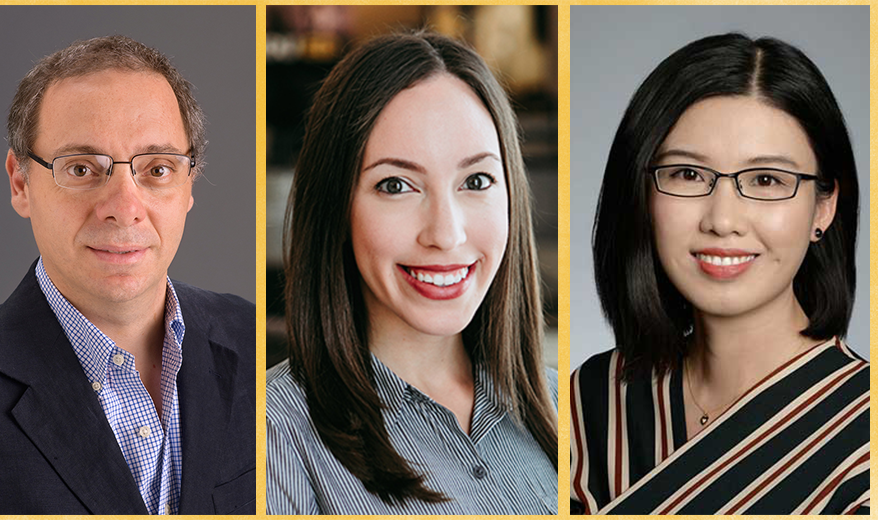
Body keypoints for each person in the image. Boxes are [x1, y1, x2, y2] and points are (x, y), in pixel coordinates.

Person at [571, 33, 869, 514]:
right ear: (642, 194)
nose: (722, 219)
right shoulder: (591, 398)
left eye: (767, 180)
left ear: (825, 206)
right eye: (688, 174)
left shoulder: (863, 434)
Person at [266, 32, 558, 514]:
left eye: (477, 180)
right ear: (336, 207)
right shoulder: (275, 435)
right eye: (396, 184)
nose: (446, 234)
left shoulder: (563, 407)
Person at [0, 36, 255, 515]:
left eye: (157, 168)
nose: (123, 209)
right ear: (20, 183)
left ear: (189, 185)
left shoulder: (252, 340)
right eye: (81, 168)